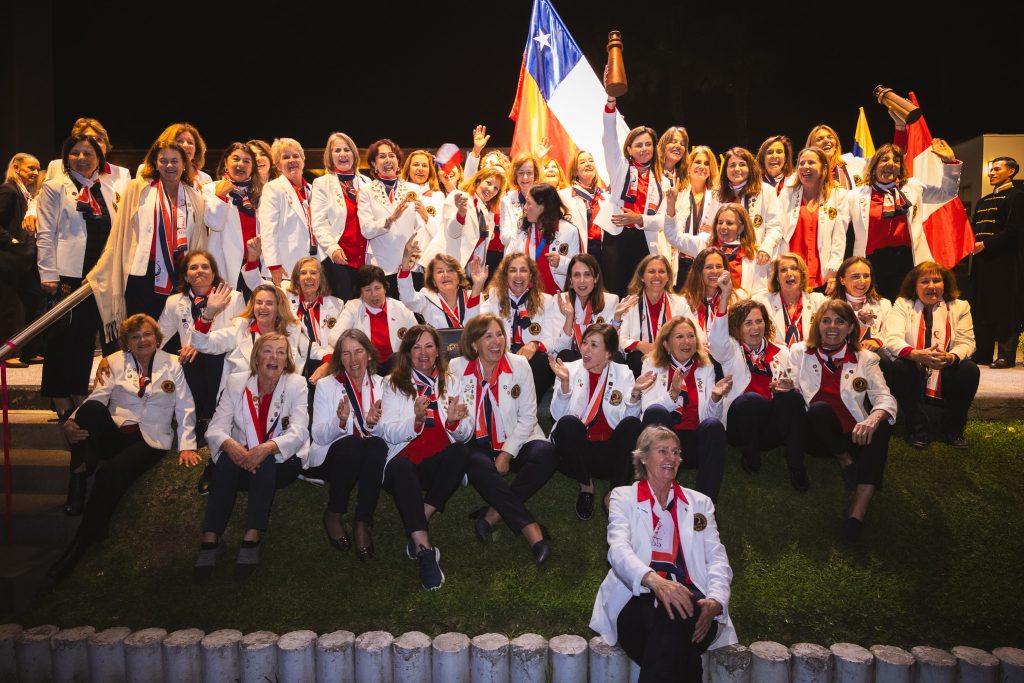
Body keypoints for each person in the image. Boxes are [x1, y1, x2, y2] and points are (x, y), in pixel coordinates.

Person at [49, 314, 198, 579]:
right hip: (117, 433)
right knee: (91, 409)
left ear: (157, 337)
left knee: (111, 472)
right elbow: (99, 396)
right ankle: (79, 473)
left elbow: (185, 405)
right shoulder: (115, 362)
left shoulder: (173, 363)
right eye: (135, 336)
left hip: (150, 438)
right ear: (127, 342)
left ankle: (84, 540)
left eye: (147, 334)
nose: (142, 340)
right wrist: (71, 421)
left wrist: (187, 444)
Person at [589, 425, 736, 682]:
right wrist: (656, 582)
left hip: (698, 608)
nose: (672, 458)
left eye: (676, 452)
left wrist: (715, 600)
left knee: (678, 612)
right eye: (663, 451)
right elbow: (618, 549)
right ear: (644, 457)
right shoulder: (623, 498)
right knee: (678, 632)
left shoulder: (700, 503)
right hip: (637, 600)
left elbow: (716, 557)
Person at [194, 333, 308, 580]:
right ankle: (211, 537)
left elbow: (299, 431)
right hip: (240, 464)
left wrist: (266, 448)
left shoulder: (296, 384)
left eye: (280, 352)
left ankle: (252, 535)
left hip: (280, 464)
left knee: (264, 456)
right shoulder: (237, 382)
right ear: (256, 357)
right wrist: (230, 445)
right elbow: (215, 428)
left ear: (287, 358)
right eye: (267, 350)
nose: (274, 357)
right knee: (227, 457)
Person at [450, 315, 556, 564]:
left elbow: (529, 416)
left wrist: (507, 453)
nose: (496, 341)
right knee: (473, 461)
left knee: (547, 453)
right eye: (488, 336)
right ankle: (533, 533)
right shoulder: (456, 368)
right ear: (474, 343)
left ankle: (493, 513)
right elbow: (457, 426)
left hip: (516, 439)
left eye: (499, 334)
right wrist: (454, 422)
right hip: (478, 444)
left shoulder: (519, 363)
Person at [789, 300, 898, 542]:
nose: (832, 327)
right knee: (818, 410)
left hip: (853, 434)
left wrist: (874, 418)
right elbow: (791, 389)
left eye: (840, 321)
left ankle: (857, 512)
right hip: (816, 436)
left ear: (850, 328)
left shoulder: (866, 358)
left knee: (880, 423)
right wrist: (786, 388)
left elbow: (885, 399)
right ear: (817, 325)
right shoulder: (799, 352)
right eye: (826, 320)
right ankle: (844, 460)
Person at [376, 325, 472, 590]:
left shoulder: (451, 381)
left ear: (438, 350)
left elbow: (467, 432)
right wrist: (415, 420)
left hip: (435, 461)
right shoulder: (392, 383)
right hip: (402, 461)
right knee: (402, 468)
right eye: (416, 347)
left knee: (462, 452)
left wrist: (455, 423)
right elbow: (386, 430)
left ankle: (419, 517)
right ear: (407, 353)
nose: (423, 353)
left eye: (429, 346)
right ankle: (424, 550)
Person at [36, 134, 123, 417]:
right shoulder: (54, 186)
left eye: (88, 153)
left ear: (99, 157)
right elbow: (45, 232)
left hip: (99, 276)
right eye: (75, 153)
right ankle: (58, 395)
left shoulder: (108, 187)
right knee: (62, 337)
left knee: (86, 337)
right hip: (67, 274)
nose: (82, 158)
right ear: (66, 157)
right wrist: (48, 273)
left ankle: (76, 389)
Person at [91, 135, 209, 327]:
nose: (169, 166)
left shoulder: (194, 196)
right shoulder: (138, 188)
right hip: (142, 273)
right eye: (163, 161)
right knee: (141, 330)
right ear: (155, 162)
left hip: (179, 274)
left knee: (175, 332)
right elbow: (119, 233)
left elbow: (199, 240)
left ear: (184, 164)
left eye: (175, 161)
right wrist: (103, 266)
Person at [711, 273, 809, 491]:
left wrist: (788, 387)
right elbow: (716, 340)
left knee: (792, 398)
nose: (755, 328)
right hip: (740, 426)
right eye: (748, 323)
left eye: (759, 321)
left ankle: (796, 467)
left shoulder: (782, 351)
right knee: (752, 401)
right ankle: (750, 454)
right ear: (736, 327)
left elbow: (801, 389)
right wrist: (725, 296)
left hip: (773, 426)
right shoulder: (730, 351)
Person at [549, 323, 648, 519]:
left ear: (609, 353)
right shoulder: (568, 369)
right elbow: (557, 416)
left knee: (633, 425)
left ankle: (615, 494)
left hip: (611, 454)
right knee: (568, 423)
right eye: (585, 342)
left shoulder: (624, 373)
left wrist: (635, 394)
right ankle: (586, 486)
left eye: (594, 345)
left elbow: (628, 420)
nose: (585, 349)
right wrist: (565, 385)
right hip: (578, 453)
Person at [846, 140, 962, 300]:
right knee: (876, 310)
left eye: (896, 160)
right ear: (874, 166)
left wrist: (950, 162)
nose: (891, 164)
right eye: (884, 160)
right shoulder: (855, 195)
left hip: (908, 261)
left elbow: (947, 193)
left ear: (901, 167)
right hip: (871, 263)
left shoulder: (913, 188)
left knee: (908, 309)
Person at [882, 262, 978, 449]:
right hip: (914, 365)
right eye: (925, 281)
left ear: (945, 284)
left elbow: (968, 342)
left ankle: (953, 429)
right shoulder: (903, 304)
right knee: (902, 366)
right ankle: (917, 428)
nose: (931, 286)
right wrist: (916, 354)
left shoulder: (960, 306)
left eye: (937, 280)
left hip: (946, 365)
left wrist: (950, 358)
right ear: (914, 286)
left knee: (969, 370)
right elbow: (891, 338)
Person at [308, 330, 387, 559]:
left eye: (359, 352)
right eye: (346, 354)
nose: (353, 360)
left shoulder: (384, 386)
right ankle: (334, 512)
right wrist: (340, 421)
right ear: (339, 359)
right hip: (335, 459)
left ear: (369, 355)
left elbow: (391, 434)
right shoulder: (326, 386)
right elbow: (319, 435)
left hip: (371, 458)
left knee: (378, 446)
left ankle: (362, 522)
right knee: (352, 444)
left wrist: (373, 424)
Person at [637, 317, 731, 502]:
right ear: (666, 344)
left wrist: (715, 398)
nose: (686, 341)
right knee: (656, 411)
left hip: (694, 443)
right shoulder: (651, 365)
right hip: (662, 442)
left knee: (713, 425)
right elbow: (647, 411)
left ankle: (705, 506)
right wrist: (672, 395)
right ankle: (658, 496)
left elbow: (709, 417)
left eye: (690, 336)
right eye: (679, 336)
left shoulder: (706, 367)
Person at [599, 86, 664, 296]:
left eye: (648, 144)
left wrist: (639, 219)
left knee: (641, 293)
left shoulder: (664, 180)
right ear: (629, 149)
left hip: (644, 239)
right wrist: (611, 101)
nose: (644, 149)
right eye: (638, 145)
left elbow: (667, 220)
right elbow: (609, 138)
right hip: (616, 238)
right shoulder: (619, 167)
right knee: (616, 292)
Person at [190, 282, 311, 391]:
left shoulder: (291, 333)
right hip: (240, 401)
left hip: (282, 401)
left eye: (269, 303)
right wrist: (209, 314)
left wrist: (325, 366)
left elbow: (320, 353)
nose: (262, 307)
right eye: (259, 302)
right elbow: (201, 344)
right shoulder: (239, 330)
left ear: (278, 308)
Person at [480, 252, 560, 400]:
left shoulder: (547, 301)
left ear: (531, 276)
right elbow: (475, 326)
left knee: (543, 361)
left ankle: (528, 412)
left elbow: (552, 337)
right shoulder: (493, 298)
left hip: (530, 360)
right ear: (505, 276)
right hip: (502, 355)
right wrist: (477, 285)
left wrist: (535, 344)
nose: (518, 275)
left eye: (523, 270)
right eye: (512, 270)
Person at [969, 156, 1023, 368]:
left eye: (997, 169)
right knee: (982, 306)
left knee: (1005, 308)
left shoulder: (1017, 197)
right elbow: (974, 228)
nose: (991, 173)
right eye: (991, 170)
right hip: (983, 263)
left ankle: (1005, 355)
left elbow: (1014, 231)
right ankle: (982, 353)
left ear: (1011, 171)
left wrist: (986, 245)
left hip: (1005, 263)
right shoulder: (983, 201)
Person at [358, 138, 430, 289]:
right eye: (382, 156)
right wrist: (389, 220)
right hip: (381, 266)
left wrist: (414, 257)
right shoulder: (366, 191)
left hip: (410, 264)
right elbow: (366, 230)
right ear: (373, 163)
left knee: (412, 311)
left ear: (398, 161)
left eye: (392, 156)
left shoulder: (414, 189)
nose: (388, 160)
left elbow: (420, 228)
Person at [311, 132, 371, 300]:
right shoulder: (322, 183)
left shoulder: (368, 183)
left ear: (354, 154)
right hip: (339, 259)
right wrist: (332, 248)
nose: (343, 154)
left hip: (366, 259)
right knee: (344, 308)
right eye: (337, 151)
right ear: (330, 157)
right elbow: (319, 223)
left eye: (347, 149)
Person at [778, 146, 848, 292]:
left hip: (821, 274)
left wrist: (833, 271)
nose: (805, 167)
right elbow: (776, 230)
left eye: (811, 162)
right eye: (801, 163)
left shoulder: (838, 195)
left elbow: (839, 238)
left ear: (823, 168)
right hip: (790, 274)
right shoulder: (787, 193)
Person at [615, 254, 696, 377]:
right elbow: (620, 339)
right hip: (640, 360)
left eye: (662, 271)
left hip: (672, 356)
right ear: (642, 277)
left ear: (668, 277)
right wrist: (639, 344)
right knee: (635, 357)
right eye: (651, 271)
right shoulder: (629, 303)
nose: (657, 276)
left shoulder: (680, 302)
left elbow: (697, 333)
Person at [205, 142, 266, 301]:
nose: (241, 164)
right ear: (226, 162)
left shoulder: (261, 192)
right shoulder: (210, 189)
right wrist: (220, 197)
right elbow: (215, 224)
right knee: (228, 314)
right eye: (236, 159)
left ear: (252, 167)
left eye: (246, 161)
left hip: (254, 263)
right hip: (225, 262)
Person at [332, 265, 418, 376]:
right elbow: (334, 337)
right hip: (365, 367)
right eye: (367, 289)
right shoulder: (353, 307)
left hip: (397, 368)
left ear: (385, 288)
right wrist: (357, 350)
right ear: (361, 293)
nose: (374, 294)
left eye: (377, 288)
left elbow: (417, 338)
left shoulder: (401, 307)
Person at [0, 152, 44, 366]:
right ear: (16, 168)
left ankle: (28, 350)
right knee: (11, 306)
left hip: (24, 259)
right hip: (9, 259)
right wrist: (12, 242)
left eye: (37, 169)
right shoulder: (9, 190)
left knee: (33, 301)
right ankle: (8, 354)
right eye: (30, 168)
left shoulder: (27, 194)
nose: (35, 173)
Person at [703, 147, 783, 263]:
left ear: (750, 167)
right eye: (732, 165)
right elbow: (710, 228)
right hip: (723, 260)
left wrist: (766, 249)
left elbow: (775, 227)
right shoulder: (718, 194)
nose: (737, 169)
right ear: (725, 170)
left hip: (755, 259)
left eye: (742, 164)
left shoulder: (766, 191)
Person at [259, 138, 319, 287]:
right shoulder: (273, 188)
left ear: (303, 160)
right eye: (286, 157)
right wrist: (273, 265)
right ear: (278, 165)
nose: (292, 160)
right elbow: (267, 230)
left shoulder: (313, 190)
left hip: (312, 264)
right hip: (285, 266)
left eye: (296, 156)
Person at [505, 183, 581, 295]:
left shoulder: (569, 231)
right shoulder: (522, 230)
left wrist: (560, 262)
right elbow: (507, 263)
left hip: (557, 297)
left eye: (529, 203)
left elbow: (579, 269)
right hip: (527, 296)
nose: (524, 207)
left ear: (542, 207)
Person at [662, 145, 718, 288]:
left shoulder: (717, 196)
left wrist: (715, 230)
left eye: (706, 163)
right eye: (697, 162)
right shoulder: (676, 192)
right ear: (689, 165)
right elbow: (666, 222)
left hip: (703, 260)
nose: (702, 166)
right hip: (678, 258)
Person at [397, 245, 486, 330]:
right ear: (433, 281)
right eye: (440, 272)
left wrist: (477, 286)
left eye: (450, 270)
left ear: (459, 277)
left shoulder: (475, 296)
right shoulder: (427, 298)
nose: (445, 275)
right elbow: (408, 298)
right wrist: (405, 262)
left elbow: (474, 328)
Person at [285, 256, 344, 382]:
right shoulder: (286, 302)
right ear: (297, 279)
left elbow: (337, 341)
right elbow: (258, 285)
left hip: (328, 364)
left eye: (313, 272)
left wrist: (327, 365)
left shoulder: (337, 304)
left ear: (321, 278)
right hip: (295, 365)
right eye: (303, 273)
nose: (308, 277)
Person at [552, 253, 619, 360]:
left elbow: (611, 346)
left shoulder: (610, 301)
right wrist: (569, 318)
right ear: (570, 280)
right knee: (565, 356)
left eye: (587, 274)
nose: (582, 280)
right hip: (572, 362)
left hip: (598, 360)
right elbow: (558, 350)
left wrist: (617, 319)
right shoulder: (560, 300)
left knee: (616, 357)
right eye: (577, 275)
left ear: (595, 278)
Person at [754, 253, 826, 347]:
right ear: (777, 277)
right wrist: (768, 344)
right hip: (776, 358)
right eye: (783, 270)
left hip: (808, 358)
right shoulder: (762, 301)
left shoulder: (819, 301)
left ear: (802, 275)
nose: (789, 273)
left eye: (794, 268)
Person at [830, 256, 892, 351]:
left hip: (875, 360)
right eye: (856, 276)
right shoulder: (828, 305)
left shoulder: (884, 304)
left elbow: (891, 335)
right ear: (842, 280)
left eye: (866, 276)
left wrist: (877, 341)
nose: (862, 281)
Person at [559, 150, 609, 259]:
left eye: (591, 161)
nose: (588, 164)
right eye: (582, 162)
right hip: (578, 252)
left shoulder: (606, 196)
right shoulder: (564, 196)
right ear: (575, 171)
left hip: (604, 253)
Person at [680, 248, 738, 339]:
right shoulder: (683, 302)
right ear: (699, 271)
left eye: (719, 266)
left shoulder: (737, 299)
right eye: (709, 267)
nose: (715, 271)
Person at [140, 123, 212, 189]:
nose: (185, 145)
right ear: (166, 145)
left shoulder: (205, 178)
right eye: (179, 141)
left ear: (196, 150)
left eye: (190, 142)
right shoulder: (145, 171)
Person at [806, 124, 865, 191]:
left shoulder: (852, 162)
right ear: (811, 147)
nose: (826, 140)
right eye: (820, 139)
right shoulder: (804, 171)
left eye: (830, 137)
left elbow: (876, 162)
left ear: (836, 146)